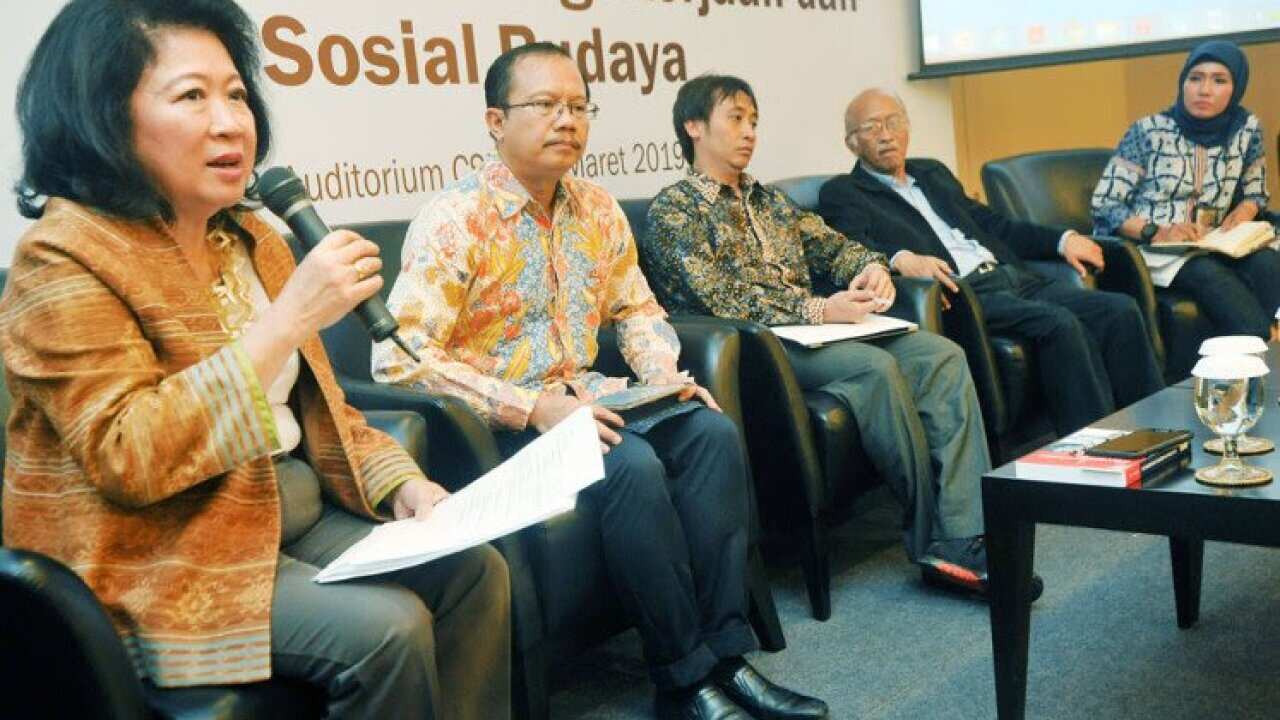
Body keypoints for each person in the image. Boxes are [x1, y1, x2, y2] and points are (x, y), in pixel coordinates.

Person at [0, 2, 510, 718]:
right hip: (163, 551)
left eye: (236, 94)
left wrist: (404, 487)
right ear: (105, 116)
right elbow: (128, 454)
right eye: (191, 96)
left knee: (473, 571)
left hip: (287, 509)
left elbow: (331, 414)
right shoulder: (61, 258)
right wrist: (290, 317)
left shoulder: (248, 236)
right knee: (385, 631)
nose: (230, 122)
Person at [371, 43, 827, 720]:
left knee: (708, 431)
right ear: (496, 121)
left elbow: (637, 308)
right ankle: (683, 681)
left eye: (578, 106)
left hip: (593, 402)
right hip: (500, 429)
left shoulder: (597, 208)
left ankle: (729, 657)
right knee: (631, 463)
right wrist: (534, 408)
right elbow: (399, 359)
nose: (567, 120)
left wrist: (663, 379)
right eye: (545, 105)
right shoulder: (453, 221)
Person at [642, 74, 1042, 604]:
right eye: (735, 119)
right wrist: (817, 307)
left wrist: (872, 268)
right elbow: (717, 298)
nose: (749, 133)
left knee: (941, 355)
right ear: (693, 126)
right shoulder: (675, 211)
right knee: (874, 370)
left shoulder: (769, 201)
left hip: (821, 331)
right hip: (763, 348)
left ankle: (966, 531)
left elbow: (834, 247)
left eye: (754, 121)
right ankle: (938, 543)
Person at [819, 88, 1165, 436]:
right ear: (851, 143)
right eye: (871, 127)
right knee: (1059, 324)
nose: (886, 134)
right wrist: (901, 259)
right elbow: (854, 248)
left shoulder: (932, 173)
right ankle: (1098, 450)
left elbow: (993, 224)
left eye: (894, 121)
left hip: (1012, 276)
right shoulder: (842, 193)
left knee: (1119, 310)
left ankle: (1156, 431)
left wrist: (1062, 240)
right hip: (965, 292)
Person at [1091, 40, 1280, 342]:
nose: (1204, 90)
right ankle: (1263, 342)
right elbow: (1105, 205)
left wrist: (1246, 210)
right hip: (1152, 248)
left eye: (1219, 80)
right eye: (1195, 78)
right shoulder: (1149, 131)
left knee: (1267, 262)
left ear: (1237, 87)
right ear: (1183, 83)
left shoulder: (1247, 129)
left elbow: (1255, 191)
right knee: (1209, 274)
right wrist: (1157, 231)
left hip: (1214, 242)